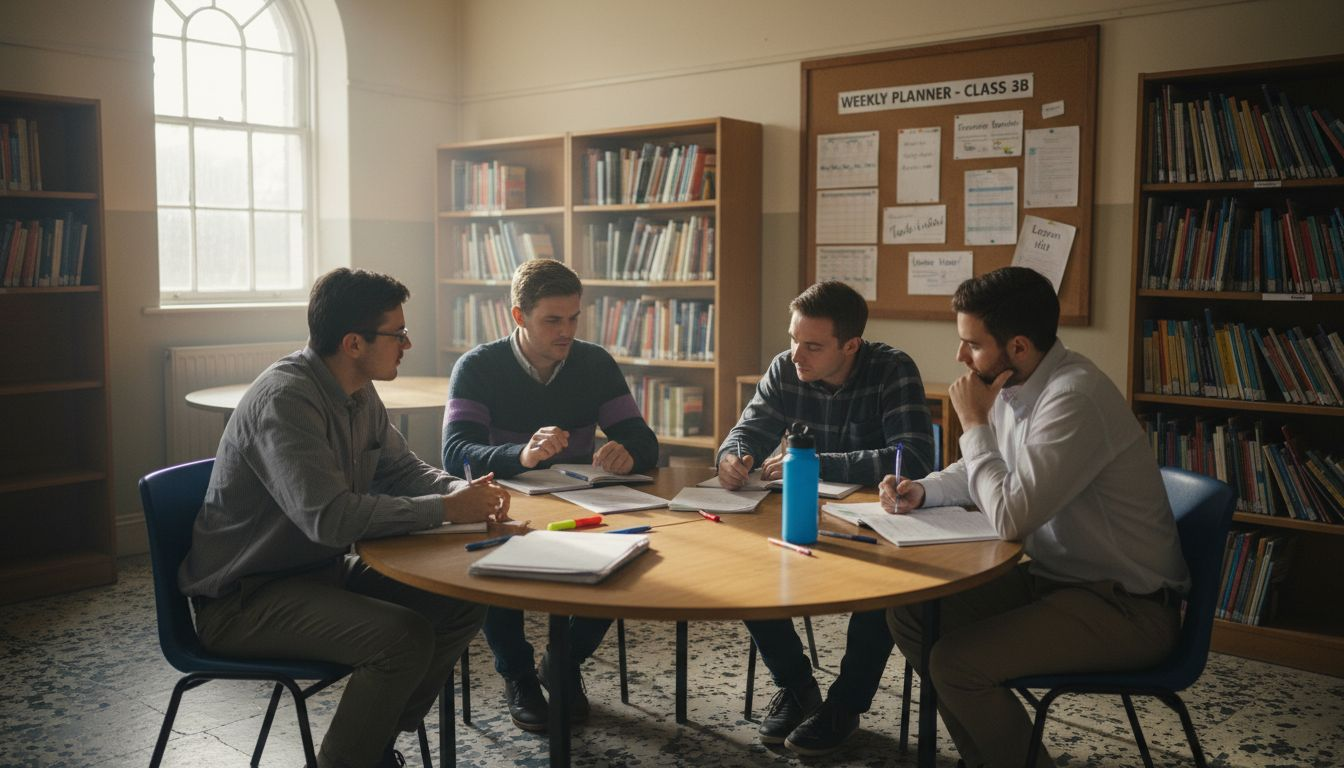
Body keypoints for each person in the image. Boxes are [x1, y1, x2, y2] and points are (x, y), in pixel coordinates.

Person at [179, 268, 510, 768]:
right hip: (244, 599)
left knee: (461, 601)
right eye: (398, 334)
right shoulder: (286, 400)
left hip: (318, 573)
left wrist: (459, 491)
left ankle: (371, 743)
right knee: (403, 639)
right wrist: (445, 510)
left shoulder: (357, 389)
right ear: (354, 343)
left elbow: (399, 468)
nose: (408, 344)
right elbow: (330, 520)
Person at [881, 266, 1190, 768]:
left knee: (956, 664)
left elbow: (1010, 517)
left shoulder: (1073, 398)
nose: (961, 357)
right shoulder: (1015, 384)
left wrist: (973, 422)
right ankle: (992, 756)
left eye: (972, 344)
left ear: (1019, 346)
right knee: (910, 614)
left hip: (1125, 608)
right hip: (1055, 585)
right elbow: (984, 467)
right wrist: (924, 490)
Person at [717, 280, 935, 755]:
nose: (797, 355)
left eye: (813, 346)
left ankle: (844, 706)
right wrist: (733, 457)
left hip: (875, 522)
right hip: (800, 511)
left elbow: (914, 458)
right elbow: (746, 432)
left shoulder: (892, 369)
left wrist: (816, 462)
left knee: (884, 590)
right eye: (793, 339)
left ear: (851, 345)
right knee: (740, 569)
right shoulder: (785, 367)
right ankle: (797, 686)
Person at [442, 258, 659, 732]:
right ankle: (518, 675)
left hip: (579, 504)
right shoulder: (478, 367)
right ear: (518, 316)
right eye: (553, 320)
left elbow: (644, 440)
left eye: (574, 318)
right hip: (505, 507)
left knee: (629, 555)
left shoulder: (594, 363)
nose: (567, 332)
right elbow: (455, 453)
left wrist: (628, 452)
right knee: (496, 561)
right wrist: (520, 454)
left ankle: (563, 662)